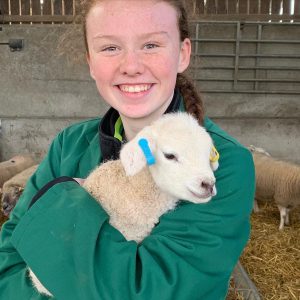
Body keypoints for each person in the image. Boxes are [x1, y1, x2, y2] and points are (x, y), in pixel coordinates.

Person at [0, 0, 255, 299]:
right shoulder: (68, 145)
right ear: (91, 62)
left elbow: (148, 291)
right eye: (110, 48)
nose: (131, 66)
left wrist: (65, 204)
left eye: (150, 45)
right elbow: (7, 265)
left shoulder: (224, 165)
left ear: (182, 53)